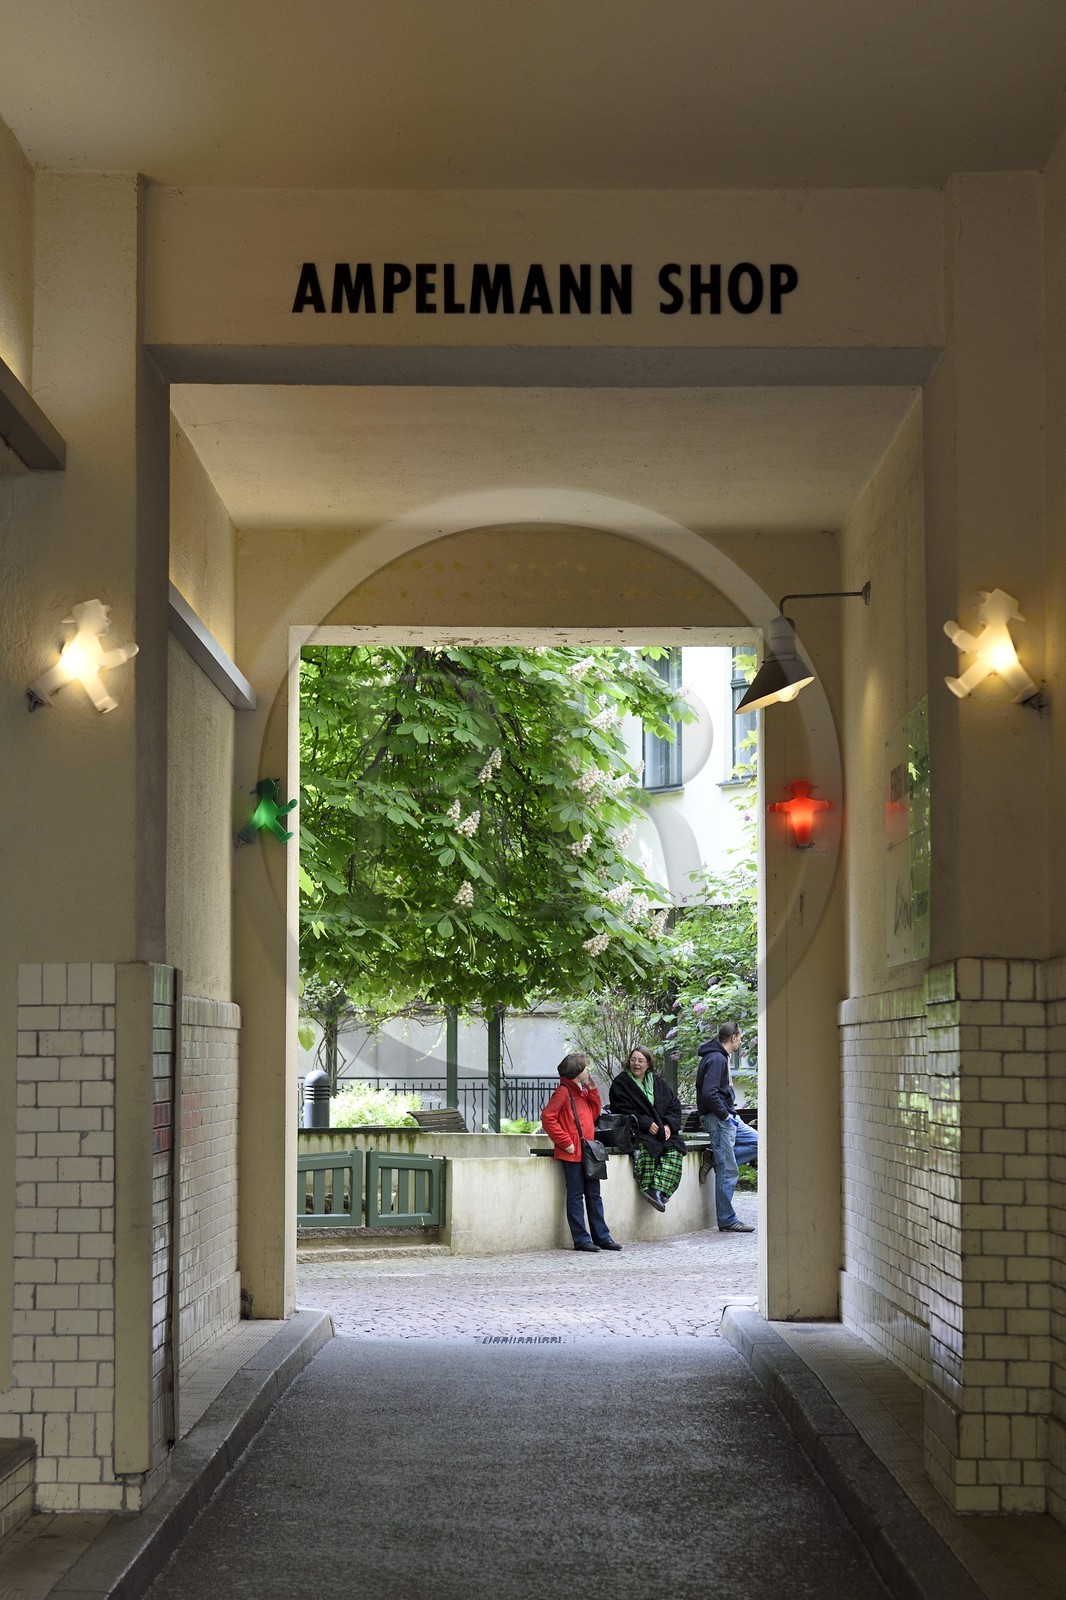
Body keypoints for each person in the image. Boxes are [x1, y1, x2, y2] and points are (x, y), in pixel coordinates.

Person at [541, 1054, 623, 1253]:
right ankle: (581, 1239)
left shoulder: (579, 1091)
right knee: (576, 1195)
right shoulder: (563, 1092)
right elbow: (547, 1117)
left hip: (587, 1150)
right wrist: (565, 1142)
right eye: (586, 1069)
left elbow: (594, 1114)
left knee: (594, 1195)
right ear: (577, 1073)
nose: (588, 1072)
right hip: (572, 1152)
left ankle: (602, 1237)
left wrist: (593, 1090)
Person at [696, 1020, 758, 1233]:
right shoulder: (716, 1059)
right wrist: (724, 1116)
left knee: (759, 1142)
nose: (741, 1040)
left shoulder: (718, 1056)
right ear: (733, 1038)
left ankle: (715, 1158)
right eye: (740, 1037)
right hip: (720, 1119)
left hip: (728, 1117)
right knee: (728, 1169)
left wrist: (729, 1115)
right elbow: (709, 1093)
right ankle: (727, 1220)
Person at [608, 1047, 687, 1212]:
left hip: (660, 1131)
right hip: (637, 1131)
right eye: (633, 1060)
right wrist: (645, 1123)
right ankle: (650, 1189)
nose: (636, 1064)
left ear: (649, 1064)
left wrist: (668, 1126)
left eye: (640, 1061)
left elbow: (674, 1106)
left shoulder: (657, 1082)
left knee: (675, 1149)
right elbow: (620, 1109)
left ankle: (657, 1191)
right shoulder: (621, 1083)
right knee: (647, 1148)